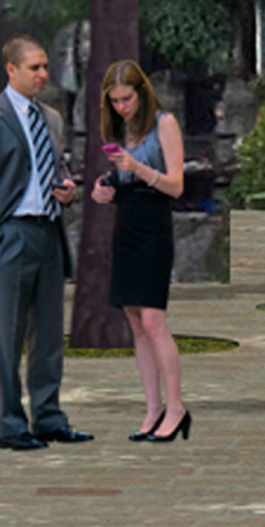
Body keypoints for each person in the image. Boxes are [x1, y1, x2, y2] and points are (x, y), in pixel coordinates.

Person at [0, 34, 84, 454]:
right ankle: (11, 425)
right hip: (10, 236)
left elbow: (58, 167)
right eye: (34, 67)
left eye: (45, 66)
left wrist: (67, 190)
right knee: (7, 337)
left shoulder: (51, 117)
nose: (43, 74)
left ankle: (49, 418)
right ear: (11, 70)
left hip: (49, 233)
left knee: (48, 337)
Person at [102, 62, 189, 442]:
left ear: (142, 92)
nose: (122, 107)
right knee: (136, 323)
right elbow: (121, 182)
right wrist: (106, 187)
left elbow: (176, 185)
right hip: (126, 222)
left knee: (154, 320)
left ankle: (177, 407)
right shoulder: (120, 130)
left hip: (154, 225)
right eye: (115, 101)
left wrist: (137, 167)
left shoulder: (164, 123)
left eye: (127, 98)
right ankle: (152, 407)